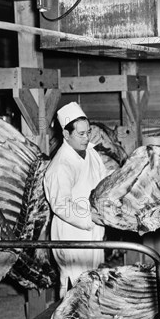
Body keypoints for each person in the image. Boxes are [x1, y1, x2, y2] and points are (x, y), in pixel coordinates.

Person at [43, 102, 108, 298]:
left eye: (88, 132)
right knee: (74, 283)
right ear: (66, 134)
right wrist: (90, 218)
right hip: (72, 231)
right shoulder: (60, 165)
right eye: (81, 134)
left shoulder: (91, 153)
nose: (86, 137)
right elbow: (61, 205)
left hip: (94, 228)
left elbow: (104, 180)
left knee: (94, 279)